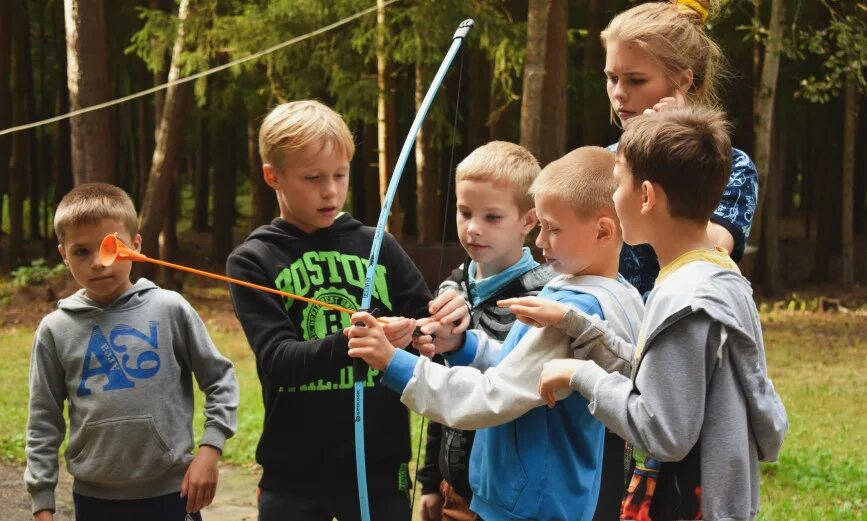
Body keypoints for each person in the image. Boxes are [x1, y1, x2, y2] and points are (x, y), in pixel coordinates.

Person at [347, 146, 644, 521]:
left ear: (603, 231)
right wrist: (462, 343)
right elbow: (521, 368)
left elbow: (491, 396)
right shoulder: (619, 292)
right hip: (546, 500)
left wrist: (392, 362)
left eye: (553, 229)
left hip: (527, 507)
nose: (540, 242)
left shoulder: (575, 311)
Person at [534, 108, 787, 520]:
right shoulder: (719, 274)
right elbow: (657, 381)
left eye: (618, 184)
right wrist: (575, 324)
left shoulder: (684, 298)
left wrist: (582, 376)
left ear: (647, 196)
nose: (613, 197)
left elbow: (663, 430)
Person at [226, 100, 432, 520]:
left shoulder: (378, 246)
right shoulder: (254, 259)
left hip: (377, 466)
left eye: (340, 175)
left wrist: (426, 333)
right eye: (312, 178)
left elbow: (425, 321)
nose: (330, 190)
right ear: (273, 176)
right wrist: (355, 341)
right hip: (294, 475)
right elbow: (279, 360)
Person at [596, 2, 761, 515]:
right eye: (611, 77)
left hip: (682, 368)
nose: (619, 94)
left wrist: (673, 159)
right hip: (618, 353)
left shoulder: (728, 165)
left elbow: (710, 244)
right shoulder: (608, 162)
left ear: (682, 81)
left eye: (635, 79)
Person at [26, 182, 239, 521]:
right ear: (63, 254)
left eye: (111, 247)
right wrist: (42, 504)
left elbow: (220, 379)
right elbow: (43, 420)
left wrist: (209, 452)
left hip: (174, 493)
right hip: (95, 500)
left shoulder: (171, 309)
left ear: (136, 246)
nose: (98, 263)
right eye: (81, 251)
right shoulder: (55, 330)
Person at [415, 141, 555, 521]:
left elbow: (511, 384)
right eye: (464, 212)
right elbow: (443, 386)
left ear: (529, 221)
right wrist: (430, 481)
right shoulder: (455, 285)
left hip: (510, 500)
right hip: (454, 491)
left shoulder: (544, 297)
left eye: (492, 217)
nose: (473, 229)